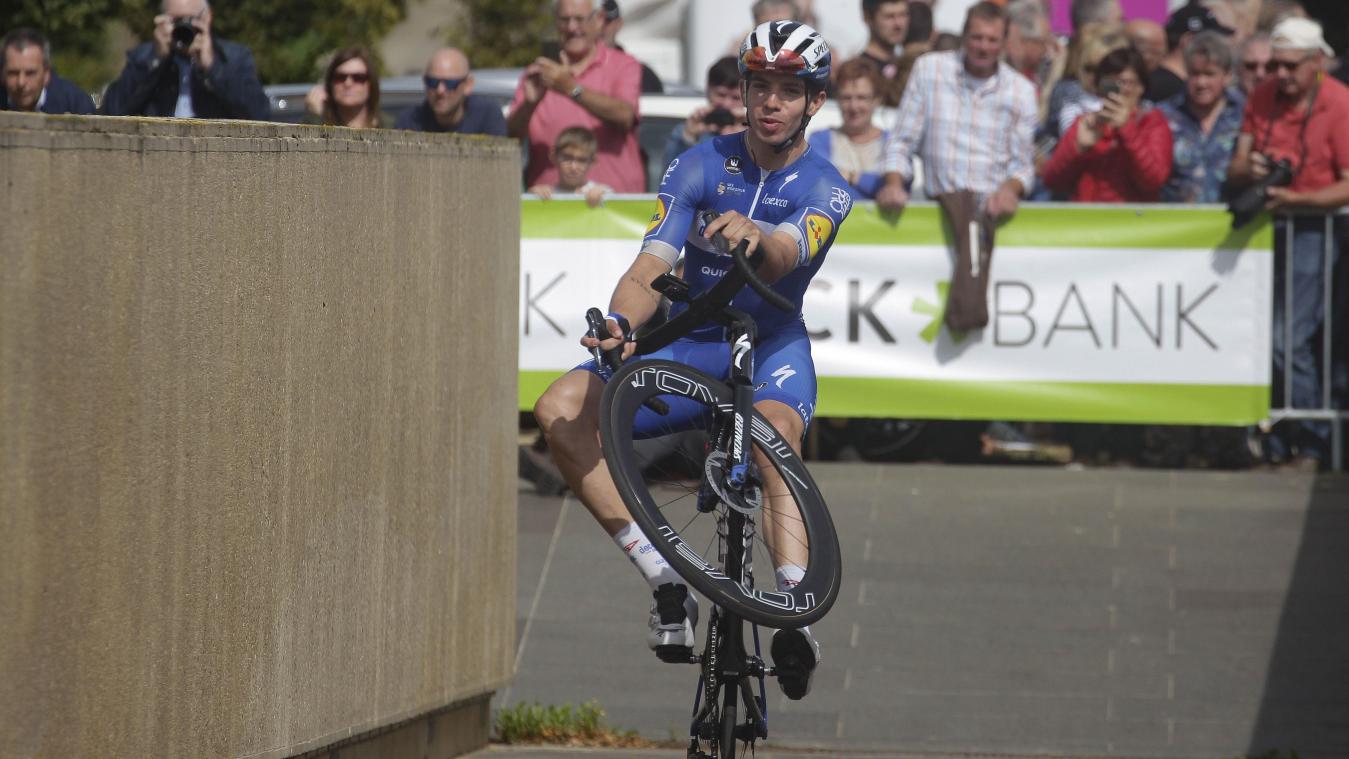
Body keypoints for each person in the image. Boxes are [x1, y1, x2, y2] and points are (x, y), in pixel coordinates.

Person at [533, 20, 851, 701]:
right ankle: (665, 579)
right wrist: (621, 323)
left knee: (774, 437)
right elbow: (649, 266)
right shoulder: (701, 163)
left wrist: (757, 236)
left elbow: (786, 252)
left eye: (788, 90)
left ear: (814, 102)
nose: (770, 101)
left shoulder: (827, 186)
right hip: (690, 339)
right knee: (558, 409)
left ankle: (792, 609)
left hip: (769, 344)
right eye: (758, 86)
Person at [1228, 16, 1349, 471]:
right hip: (1264, 228)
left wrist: (1298, 198)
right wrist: (1252, 170)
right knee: (1260, 335)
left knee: (1287, 338)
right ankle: (1278, 439)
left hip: (1314, 229)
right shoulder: (1263, 96)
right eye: (1275, 64)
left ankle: (1312, 442)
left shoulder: (1340, 103)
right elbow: (1237, 164)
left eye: (1290, 66)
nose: (1279, 74)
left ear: (1317, 62)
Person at [877, 2, 1037, 221]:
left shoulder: (1021, 91)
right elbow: (901, 142)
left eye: (992, 40)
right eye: (977, 37)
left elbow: (1022, 166)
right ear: (964, 36)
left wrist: (1009, 191)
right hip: (937, 211)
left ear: (1004, 42)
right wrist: (894, 185)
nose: (983, 47)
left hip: (992, 215)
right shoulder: (930, 70)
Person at [508, 0, 644, 193]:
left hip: (613, 205)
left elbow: (625, 115)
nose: (572, 28)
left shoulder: (623, 65)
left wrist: (570, 88)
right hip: (551, 204)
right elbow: (510, 139)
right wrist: (529, 105)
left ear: (599, 20)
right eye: (565, 20)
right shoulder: (538, 73)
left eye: (580, 19)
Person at [1042, 47, 1173, 202]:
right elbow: (1052, 181)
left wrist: (1127, 129)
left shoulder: (1152, 123)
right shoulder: (1087, 123)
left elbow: (1153, 180)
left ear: (1141, 87)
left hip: (1133, 215)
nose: (1120, 89)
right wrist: (1077, 148)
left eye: (1127, 83)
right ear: (1098, 86)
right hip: (1088, 215)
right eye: (1111, 83)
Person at [101, 0, 269, 120]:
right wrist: (155, 61)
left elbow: (258, 113)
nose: (183, 27)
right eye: (175, 21)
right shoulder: (144, 58)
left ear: (207, 17)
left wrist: (212, 67)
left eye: (189, 20)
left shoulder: (234, 57)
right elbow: (111, 111)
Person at [1158, 31, 1244, 203]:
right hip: (1176, 216)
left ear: (1227, 76)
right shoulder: (1164, 115)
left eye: (1209, 74)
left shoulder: (1243, 113)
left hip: (1230, 215)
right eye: (1195, 74)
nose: (1201, 83)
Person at [808, 58, 889, 199]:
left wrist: (850, 176)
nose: (853, 106)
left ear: (877, 100)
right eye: (846, 98)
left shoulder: (892, 143)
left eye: (862, 98)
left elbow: (896, 189)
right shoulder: (819, 140)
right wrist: (871, 184)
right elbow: (819, 182)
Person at [394, 48, 507, 136]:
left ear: (468, 85)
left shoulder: (488, 116)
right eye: (433, 82)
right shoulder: (410, 121)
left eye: (450, 83)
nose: (440, 91)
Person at [663, 56, 745, 168]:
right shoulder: (687, 131)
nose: (727, 104)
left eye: (735, 98)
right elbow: (670, 173)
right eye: (721, 95)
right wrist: (688, 138)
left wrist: (744, 141)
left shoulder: (755, 133)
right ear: (708, 91)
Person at [1148, 2, 1236, 104]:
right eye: (1210, 40)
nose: (1216, 46)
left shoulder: (1155, 79)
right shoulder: (1174, 92)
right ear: (1189, 41)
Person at [1, 29, 94, 114]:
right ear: (2, 73)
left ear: (46, 74)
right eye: (13, 73)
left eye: (30, 73)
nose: (21, 82)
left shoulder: (75, 104)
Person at [302, 47, 389, 128]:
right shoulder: (315, 121)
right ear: (330, 83)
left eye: (358, 77)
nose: (348, 83)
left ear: (371, 84)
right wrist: (316, 117)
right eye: (340, 77)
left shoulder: (389, 125)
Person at [528, 126, 612, 207]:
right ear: (554, 157)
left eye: (582, 160)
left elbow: (614, 211)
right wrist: (531, 198)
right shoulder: (545, 195)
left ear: (593, 162)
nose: (573, 167)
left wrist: (607, 196)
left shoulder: (601, 192)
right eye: (567, 158)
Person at [597, 0, 663, 94]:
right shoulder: (576, 72)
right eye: (594, 20)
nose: (600, 26)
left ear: (619, 24)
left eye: (607, 21)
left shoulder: (644, 76)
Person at [856, 0, 911, 106]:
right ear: (868, 18)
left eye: (903, 15)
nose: (898, 24)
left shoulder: (908, 65)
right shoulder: (858, 70)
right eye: (889, 17)